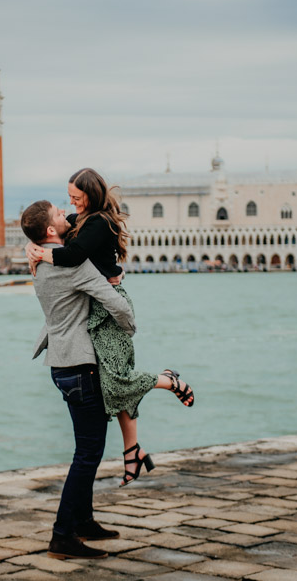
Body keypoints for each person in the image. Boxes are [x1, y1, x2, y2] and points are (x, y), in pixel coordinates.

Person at [26, 168, 194, 488]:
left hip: (108, 303)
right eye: (70, 198)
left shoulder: (99, 222)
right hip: (95, 306)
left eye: (76, 197)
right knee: (111, 383)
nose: (71, 203)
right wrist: (32, 247)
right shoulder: (82, 218)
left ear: (90, 194)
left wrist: (42, 254)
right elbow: (53, 229)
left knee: (117, 379)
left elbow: (74, 254)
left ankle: (167, 380)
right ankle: (132, 451)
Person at [21, 199, 133, 560]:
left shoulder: (39, 260)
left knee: (86, 449)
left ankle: (83, 521)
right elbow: (113, 302)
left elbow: (68, 227)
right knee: (87, 453)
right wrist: (130, 326)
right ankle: (62, 536)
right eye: (58, 213)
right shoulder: (72, 263)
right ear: (51, 230)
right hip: (82, 365)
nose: (64, 214)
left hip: (61, 364)